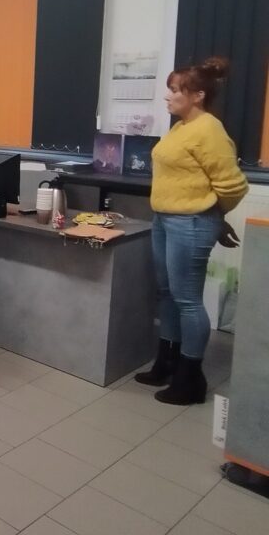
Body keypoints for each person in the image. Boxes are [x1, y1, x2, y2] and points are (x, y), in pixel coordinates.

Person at [135, 57, 248, 406]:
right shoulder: (181, 126)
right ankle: (166, 362)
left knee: (186, 300)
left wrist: (213, 215)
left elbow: (233, 186)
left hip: (190, 223)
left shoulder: (209, 129)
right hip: (166, 219)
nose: (167, 98)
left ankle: (190, 378)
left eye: (174, 91)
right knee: (167, 294)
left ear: (197, 95)